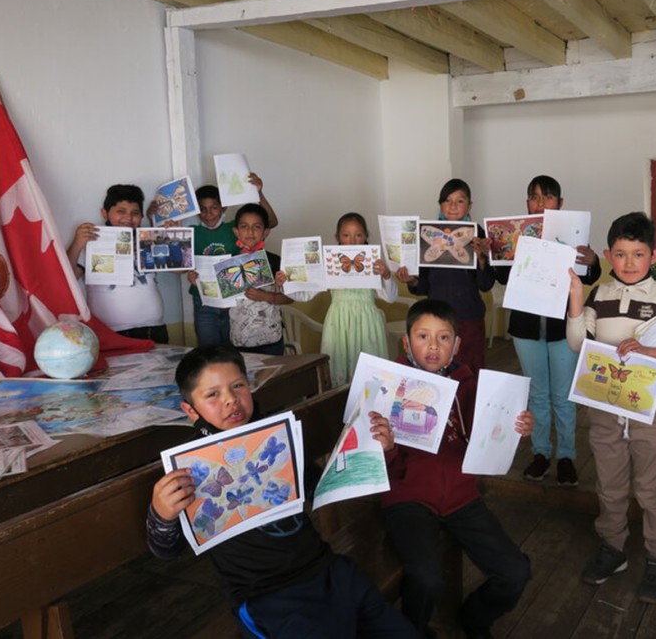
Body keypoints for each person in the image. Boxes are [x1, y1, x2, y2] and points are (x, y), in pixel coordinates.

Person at [147, 345, 418, 638]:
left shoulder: (276, 438)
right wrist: (161, 515)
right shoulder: (188, 469)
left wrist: (372, 449)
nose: (230, 400)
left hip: (328, 570)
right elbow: (167, 549)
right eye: (212, 394)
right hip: (267, 597)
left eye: (238, 386)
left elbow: (320, 487)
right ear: (190, 410)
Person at [381, 298, 533, 638]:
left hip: (463, 497)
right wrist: (387, 447)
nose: (433, 346)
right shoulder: (387, 387)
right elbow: (375, 461)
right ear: (406, 342)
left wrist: (516, 429)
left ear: (457, 345)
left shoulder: (469, 383)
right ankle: (413, 630)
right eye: (422, 336)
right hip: (409, 498)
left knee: (515, 571)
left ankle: (475, 617)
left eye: (444, 337)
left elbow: (490, 434)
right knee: (425, 575)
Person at [565, 212, 656, 603]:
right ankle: (613, 547)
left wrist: (650, 351)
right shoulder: (599, 294)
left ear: (653, 254)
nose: (629, 263)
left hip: (650, 408)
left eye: (638, 254)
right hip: (603, 407)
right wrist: (574, 300)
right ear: (607, 255)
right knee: (609, 482)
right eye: (620, 254)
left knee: (651, 486)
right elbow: (577, 345)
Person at [492, 175, 602, 486]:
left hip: (562, 328)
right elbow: (501, 278)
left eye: (548, 197)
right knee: (537, 394)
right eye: (535, 197)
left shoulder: (572, 233)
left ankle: (566, 456)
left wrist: (592, 261)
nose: (541, 203)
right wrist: (494, 253)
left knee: (563, 395)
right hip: (526, 328)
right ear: (526, 203)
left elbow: (590, 273)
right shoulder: (516, 236)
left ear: (560, 203)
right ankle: (540, 453)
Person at [283, 213, 398, 386]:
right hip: (338, 323)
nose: (352, 241)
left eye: (358, 235)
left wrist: (387, 275)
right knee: (339, 373)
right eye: (346, 235)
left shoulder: (375, 263)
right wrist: (287, 283)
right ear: (337, 237)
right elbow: (305, 295)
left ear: (366, 236)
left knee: (370, 378)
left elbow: (390, 297)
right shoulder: (330, 264)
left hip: (368, 323)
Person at [396, 179, 494, 377]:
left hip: (468, 318)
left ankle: (466, 408)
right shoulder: (427, 234)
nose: (453, 206)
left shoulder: (478, 235)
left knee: (469, 374)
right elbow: (422, 285)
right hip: (436, 320)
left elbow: (485, 284)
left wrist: (482, 258)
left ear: (469, 205)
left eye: (460, 201)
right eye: (447, 201)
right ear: (440, 204)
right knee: (436, 374)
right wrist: (411, 280)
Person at [67, 183, 168, 343]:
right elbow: (68, 277)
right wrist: (77, 243)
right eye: (121, 211)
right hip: (111, 331)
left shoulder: (149, 239)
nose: (128, 218)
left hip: (153, 328)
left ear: (141, 217)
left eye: (135, 213)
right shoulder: (92, 241)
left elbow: (179, 270)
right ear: (104, 213)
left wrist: (172, 234)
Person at [187, 179, 279, 348]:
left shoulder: (234, 229)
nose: (208, 214)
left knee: (232, 349)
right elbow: (178, 263)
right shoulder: (191, 233)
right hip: (205, 299)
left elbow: (270, 222)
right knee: (209, 350)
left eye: (214, 207)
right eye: (203, 209)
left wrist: (258, 193)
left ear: (223, 207)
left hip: (234, 301)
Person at [229, 204, 293, 356]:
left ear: (266, 232)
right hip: (239, 340)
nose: (250, 232)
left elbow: (290, 298)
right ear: (236, 232)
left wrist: (265, 296)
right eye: (244, 226)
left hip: (271, 340)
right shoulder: (227, 263)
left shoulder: (276, 262)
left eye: (256, 227)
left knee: (273, 378)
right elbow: (221, 304)